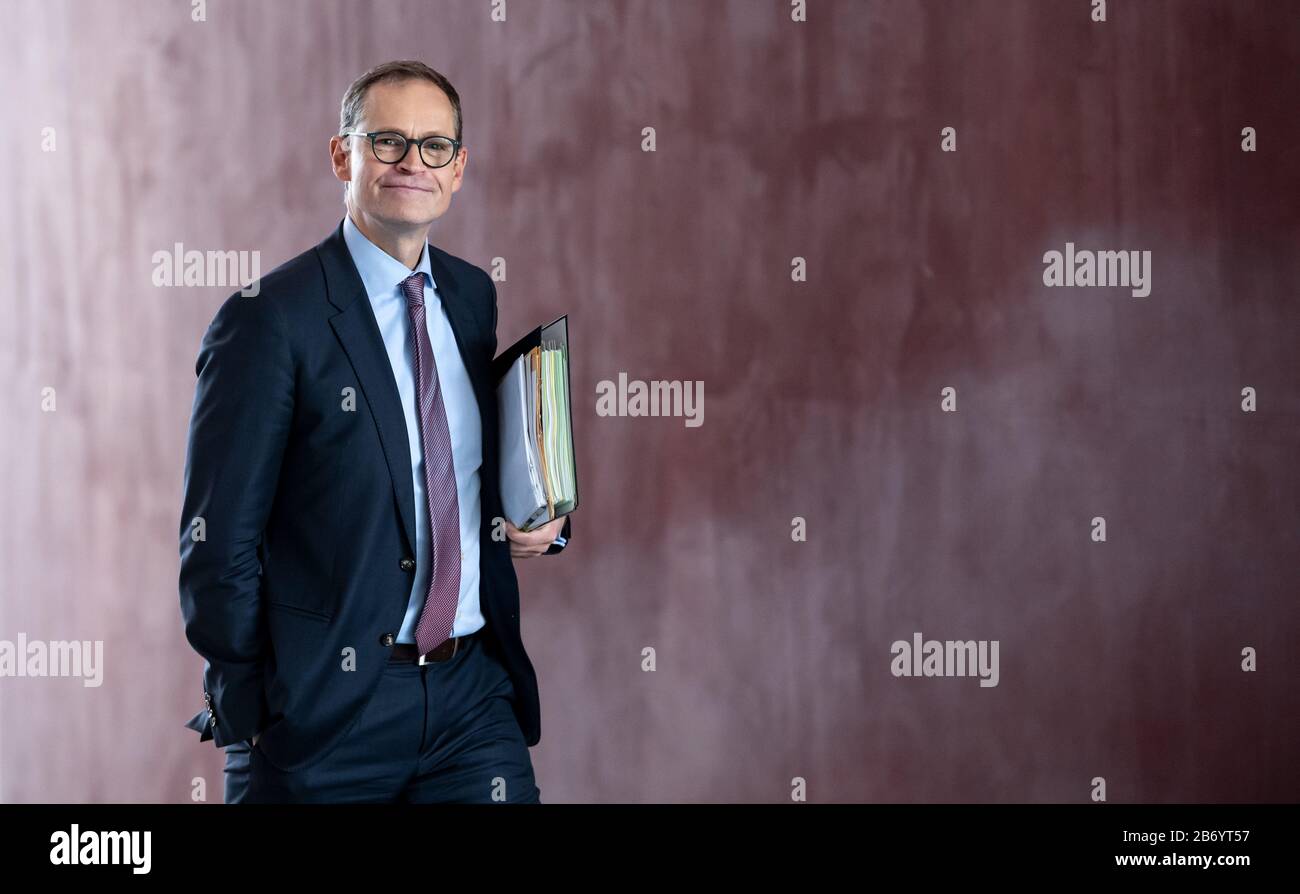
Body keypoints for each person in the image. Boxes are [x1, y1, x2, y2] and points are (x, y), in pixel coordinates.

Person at [178, 60, 570, 803]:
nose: (410, 162)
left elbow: (459, 466)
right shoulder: (269, 320)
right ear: (342, 156)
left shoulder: (468, 295)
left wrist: (541, 522)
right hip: (326, 712)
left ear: (459, 169)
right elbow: (215, 543)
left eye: (433, 146)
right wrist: (258, 707)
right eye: (386, 141)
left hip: (470, 703)